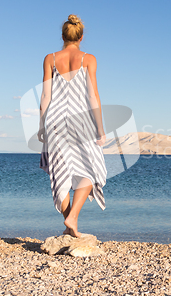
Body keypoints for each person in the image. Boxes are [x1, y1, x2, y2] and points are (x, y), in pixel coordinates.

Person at [38, 14, 107, 238]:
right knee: (92, 168)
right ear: (81, 37)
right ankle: (73, 217)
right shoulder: (89, 59)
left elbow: (45, 96)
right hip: (82, 121)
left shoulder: (50, 59)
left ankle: (69, 224)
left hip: (55, 122)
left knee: (60, 174)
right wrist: (100, 129)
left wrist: (41, 125)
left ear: (62, 36)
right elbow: (93, 96)